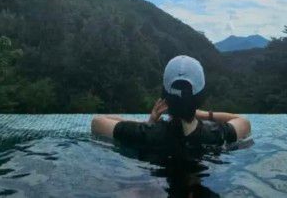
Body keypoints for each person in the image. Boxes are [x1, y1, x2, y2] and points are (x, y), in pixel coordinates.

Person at [91, 55, 251, 152]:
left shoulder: (145, 135)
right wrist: (201, 114)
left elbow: (97, 123)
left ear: (164, 97)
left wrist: (149, 123)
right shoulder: (217, 136)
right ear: (200, 97)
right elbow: (243, 122)